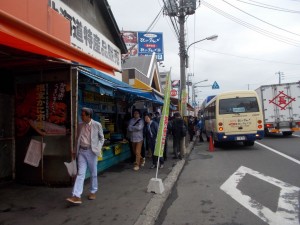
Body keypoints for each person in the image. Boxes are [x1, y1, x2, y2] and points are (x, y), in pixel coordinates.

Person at [66, 107, 104, 205]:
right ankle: (76, 195)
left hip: (92, 152)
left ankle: (93, 191)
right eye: (81, 115)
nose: (81, 117)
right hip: (82, 151)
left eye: (83, 115)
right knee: (80, 173)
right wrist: (75, 150)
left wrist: (98, 148)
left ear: (89, 116)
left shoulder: (97, 125)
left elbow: (101, 138)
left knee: (93, 173)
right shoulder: (80, 125)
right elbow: (77, 138)